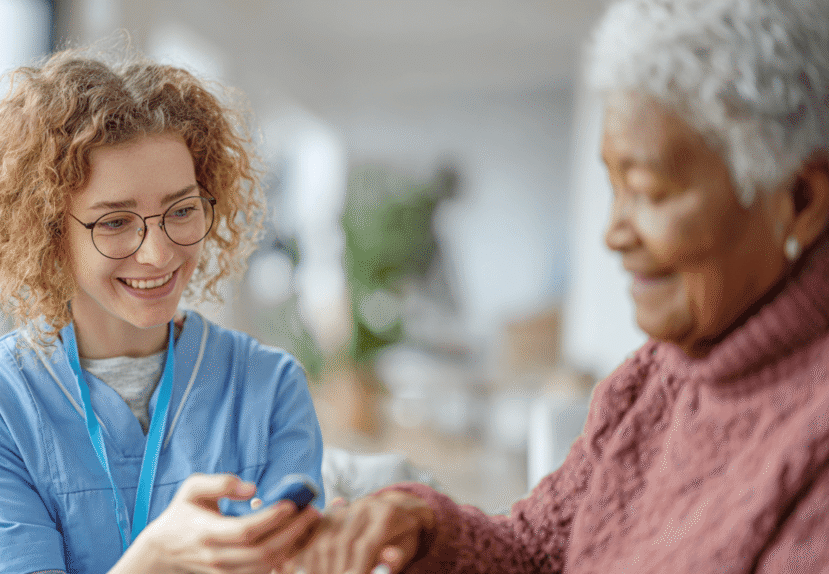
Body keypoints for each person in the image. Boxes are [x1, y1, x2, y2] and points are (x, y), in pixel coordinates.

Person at [283, 0, 829, 572]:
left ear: (800, 200)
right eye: (613, 186)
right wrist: (420, 529)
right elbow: (537, 547)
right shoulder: (653, 380)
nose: (614, 233)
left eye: (649, 191)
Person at [0, 48, 324, 574]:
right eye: (115, 222)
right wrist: (153, 561)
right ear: (49, 231)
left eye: (181, 210)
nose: (158, 253)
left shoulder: (272, 388)